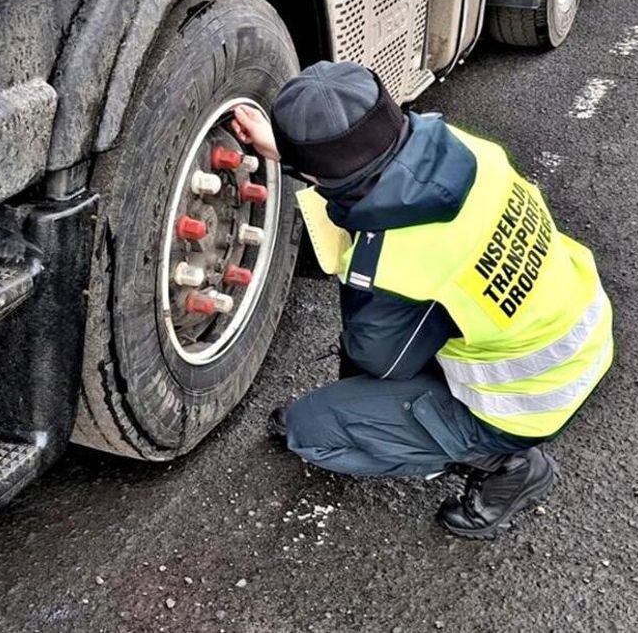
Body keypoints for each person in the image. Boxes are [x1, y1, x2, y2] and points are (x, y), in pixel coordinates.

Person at [231, 61, 614, 539]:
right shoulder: (465, 148)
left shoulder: (392, 259)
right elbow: (368, 174)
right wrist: (297, 157)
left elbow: (380, 362)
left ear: (316, 173)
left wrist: (360, 291)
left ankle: (512, 465)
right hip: (574, 326)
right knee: (412, 335)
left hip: (529, 398)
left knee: (309, 431)